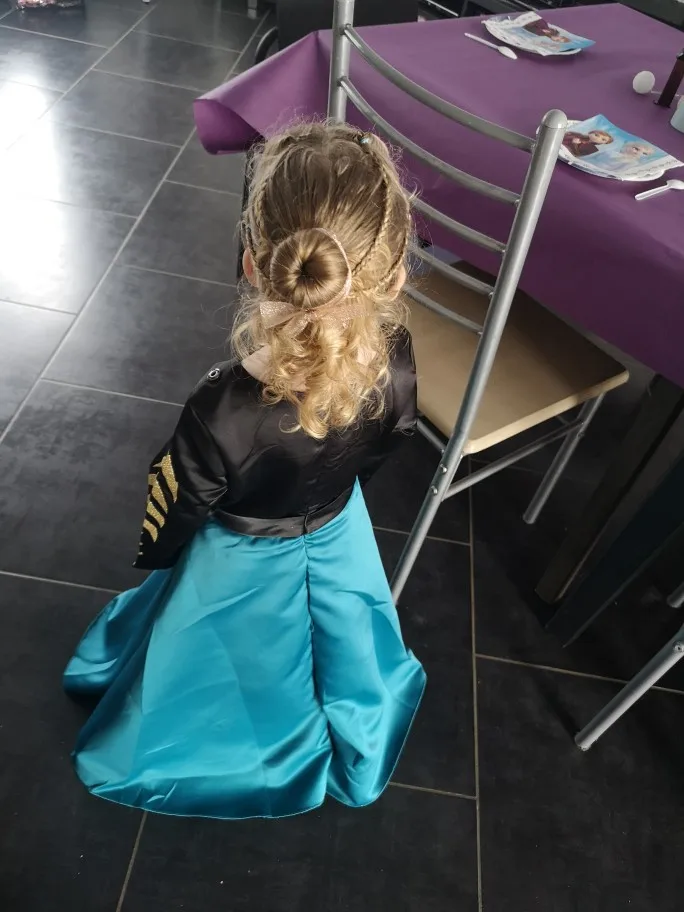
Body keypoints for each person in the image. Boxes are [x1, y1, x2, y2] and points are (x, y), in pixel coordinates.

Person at [63, 122, 426, 821]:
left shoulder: (220, 408)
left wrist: (162, 557)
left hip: (237, 556)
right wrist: (337, 494)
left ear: (256, 265)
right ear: (394, 274)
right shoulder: (397, 355)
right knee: (344, 642)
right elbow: (392, 440)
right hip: (339, 529)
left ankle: (220, 745)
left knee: (215, 663)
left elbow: (177, 505)